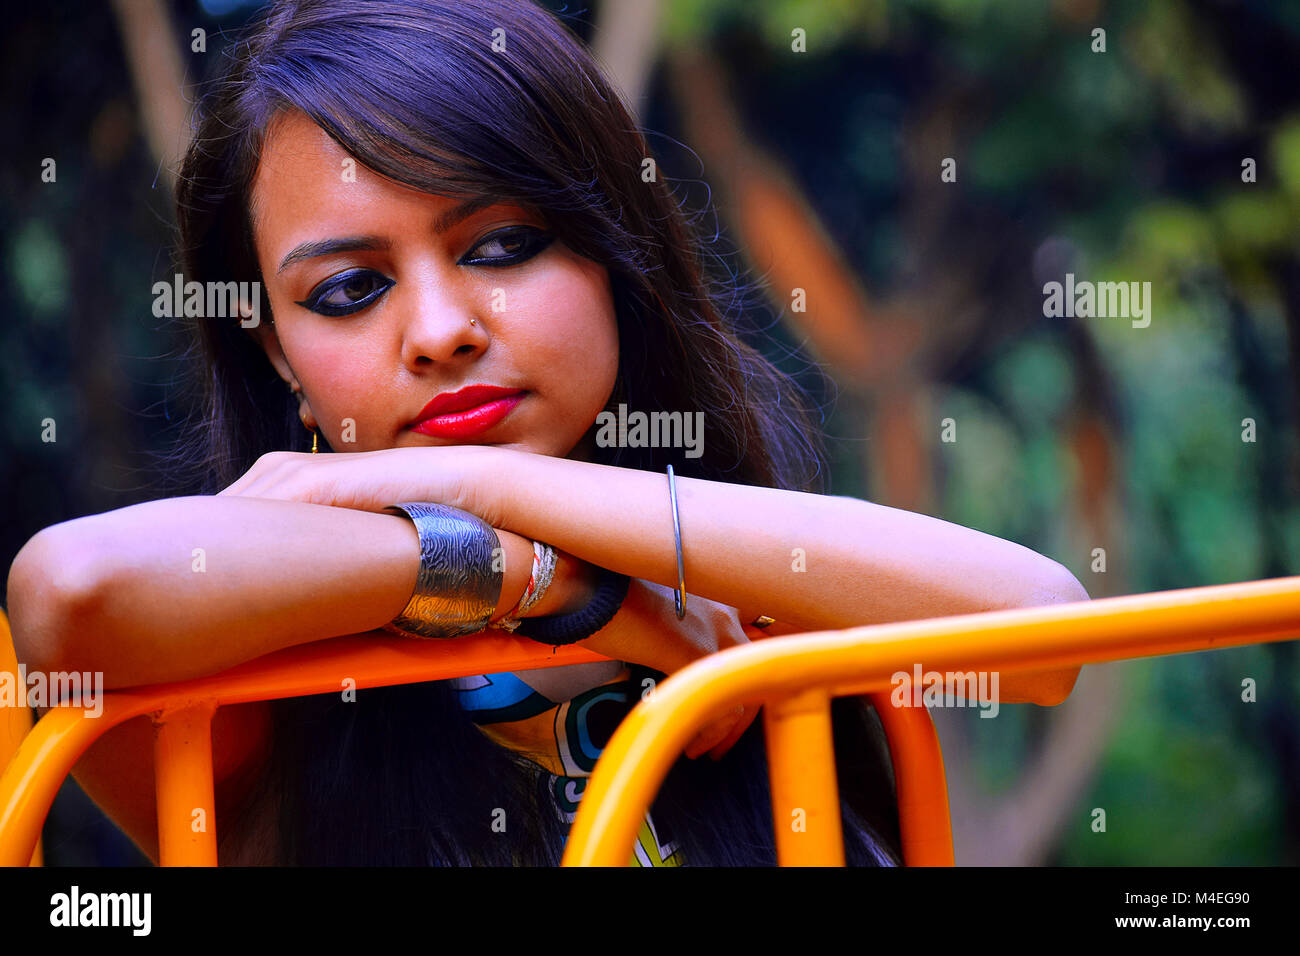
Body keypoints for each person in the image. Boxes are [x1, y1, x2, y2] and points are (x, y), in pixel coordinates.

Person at [5, 0, 1086, 866]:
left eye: (504, 243)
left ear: (614, 249)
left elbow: (1040, 630)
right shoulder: (262, 675)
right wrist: (561, 585)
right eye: (347, 290)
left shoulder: (746, 580)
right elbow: (73, 591)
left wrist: (486, 482)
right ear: (279, 355)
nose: (439, 332)